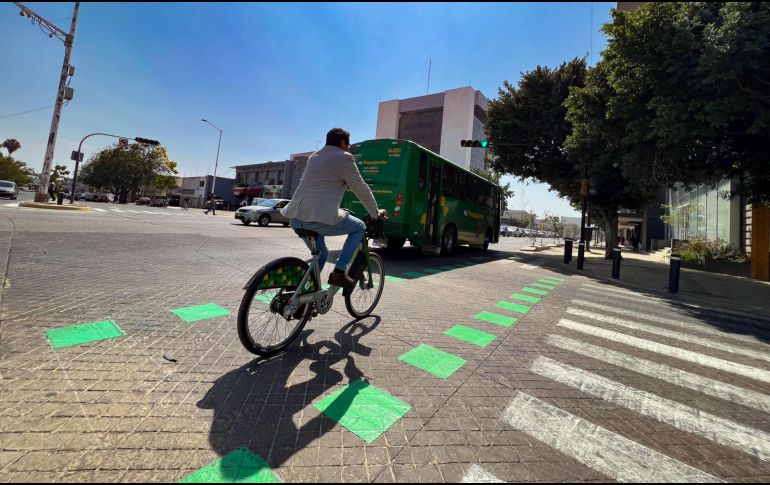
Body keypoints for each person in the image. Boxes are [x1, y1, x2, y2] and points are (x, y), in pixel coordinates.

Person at [281, 128, 386, 289]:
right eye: (348, 144)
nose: (348, 148)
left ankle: (303, 295)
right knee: (359, 227)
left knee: (321, 255)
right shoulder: (344, 158)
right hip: (317, 218)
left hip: (295, 217)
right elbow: (361, 189)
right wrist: (375, 213)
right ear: (343, 143)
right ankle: (339, 271)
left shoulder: (314, 157)